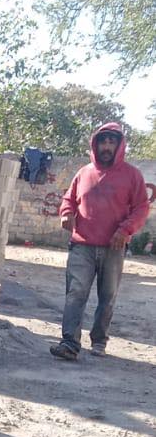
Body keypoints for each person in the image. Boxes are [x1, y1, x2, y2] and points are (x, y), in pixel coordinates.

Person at [50, 123, 150, 361]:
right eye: (102, 141)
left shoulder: (132, 175)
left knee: (107, 297)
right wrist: (66, 213)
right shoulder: (84, 173)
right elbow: (69, 199)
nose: (106, 146)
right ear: (95, 145)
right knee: (75, 293)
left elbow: (141, 208)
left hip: (113, 247)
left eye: (111, 142)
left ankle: (99, 340)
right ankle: (69, 343)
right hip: (82, 245)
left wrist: (125, 230)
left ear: (119, 146)